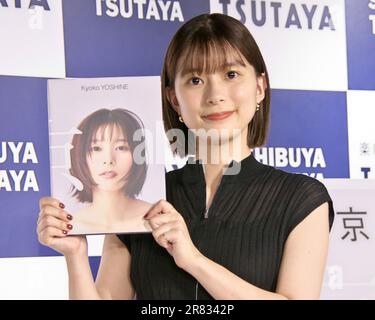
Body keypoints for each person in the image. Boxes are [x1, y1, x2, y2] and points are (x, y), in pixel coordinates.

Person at [37, 13, 334, 299]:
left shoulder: (302, 199)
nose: (215, 94)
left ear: (259, 87)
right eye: (195, 80)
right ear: (174, 99)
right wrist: (75, 254)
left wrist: (193, 260)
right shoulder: (143, 202)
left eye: (231, 74)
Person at [64, 108, 151, 234]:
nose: (109, 160)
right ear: (79, 155)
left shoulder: (156, 219)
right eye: (96, 148)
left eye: (121, 147)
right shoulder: (71, 226)